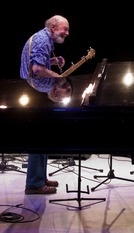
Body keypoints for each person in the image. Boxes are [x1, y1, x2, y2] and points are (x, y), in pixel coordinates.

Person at [20, 15, 71, 194]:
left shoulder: (44, 38)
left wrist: (53, 61)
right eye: (65, 29)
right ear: (53, 27)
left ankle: (40, 178)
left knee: (42, 136)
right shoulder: (43, 40)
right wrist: (57, 77)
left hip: (35, 90)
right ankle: (34, 184)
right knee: (38, 137)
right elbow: (37, 70)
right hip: (35, 92)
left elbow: (38, 63)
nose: (67, 33)